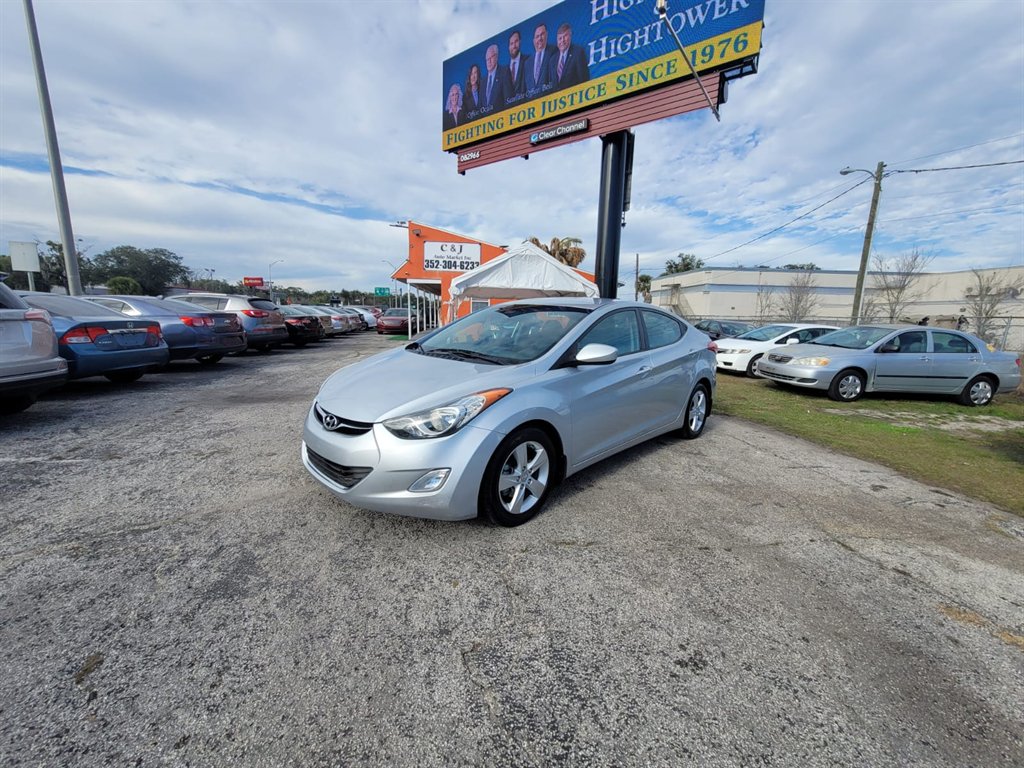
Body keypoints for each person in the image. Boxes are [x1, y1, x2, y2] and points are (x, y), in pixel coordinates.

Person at [551, 22, 590, 91]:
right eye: (560, 38)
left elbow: (584, 80)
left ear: (570, 36)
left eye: (565, 36)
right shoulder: (552, 60)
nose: (562, 40)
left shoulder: (578, 53)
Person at [525, 23, 557, 96]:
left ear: (547, 35)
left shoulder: (554, 51)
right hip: (532, 105)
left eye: (542, 34)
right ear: (533, 41)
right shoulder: (527, 62)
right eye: (537, 36)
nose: (540, 38)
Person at [481, 43, 507, 112]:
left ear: (496, 57)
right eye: (487, 59)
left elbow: (508, 99)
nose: (489, 61)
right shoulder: (482, 81)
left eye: (491, 58)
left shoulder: (504, 73)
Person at [505, 29, 527, 104]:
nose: (514, 46)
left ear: (520, 42)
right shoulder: (504, 71)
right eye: (511, 43)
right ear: (508, 47)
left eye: (516, 42)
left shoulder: (528, 61)